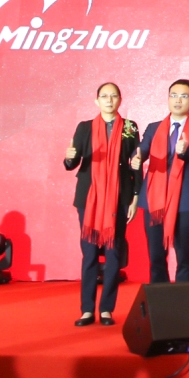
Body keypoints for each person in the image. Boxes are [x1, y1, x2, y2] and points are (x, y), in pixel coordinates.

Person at [64, 82, 139, 326]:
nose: (109, 100)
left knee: (113, 252)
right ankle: (87, 310)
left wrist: (135, 196)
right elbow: (73, 162)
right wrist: (69, 158)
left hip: (119, 197)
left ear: (120, 100)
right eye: (104, 96)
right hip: (90, 198)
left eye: (113, 96)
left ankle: (106, 309)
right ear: (97, 101)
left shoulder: (130, 127)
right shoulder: (85, 127)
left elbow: (135, 163)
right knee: (89, 254)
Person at [136, 79, 189, 284]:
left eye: (184, 96)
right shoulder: (154, 128)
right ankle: (160, 298)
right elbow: (142, 150)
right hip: (154, 199)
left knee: (185, 256)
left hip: (185, 200)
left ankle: (184, 298)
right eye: (173, 95)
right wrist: (136, 158)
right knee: (156, 255)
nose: (178, 100)